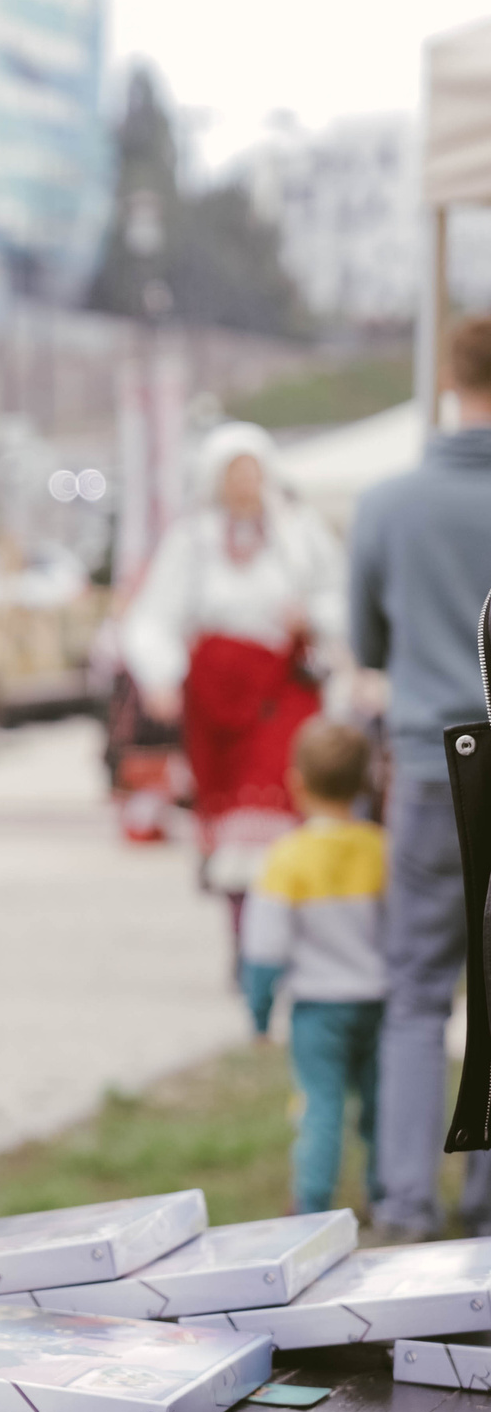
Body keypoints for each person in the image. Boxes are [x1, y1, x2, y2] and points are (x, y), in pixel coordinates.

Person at [348, 312, 491, 1243]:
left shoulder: (386, 503)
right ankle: (487, 1208)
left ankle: (405, 1200)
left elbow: (367, 645)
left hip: (434, 762)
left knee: (416, 991)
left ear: (447, 375)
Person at [125, 422, 343, 923]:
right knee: (227, 818)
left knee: (277, 798)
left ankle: (281, 926)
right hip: (216, 695)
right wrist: (160, 676)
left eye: (252, 471)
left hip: (282, 688)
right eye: (234, 472)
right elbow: (156, 613)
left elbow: (338, 594)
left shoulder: (298, 532)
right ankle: (245, 931)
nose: (245, 482)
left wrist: (311, 617)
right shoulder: (194, 538)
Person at [241, 720, 387, 1216]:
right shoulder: (381, 849)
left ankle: (312, 1205)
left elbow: (265, 950)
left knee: (321, 1108)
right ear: (365, 782)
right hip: (379, 1003)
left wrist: (260, 1015)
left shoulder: (286, 859)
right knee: (380, 1107)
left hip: (317, 1013)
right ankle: (385, 1193)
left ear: (296, 782)